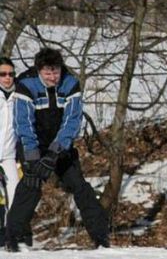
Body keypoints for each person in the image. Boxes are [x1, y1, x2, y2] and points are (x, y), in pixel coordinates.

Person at [5, 48, 109, 252]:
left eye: (56, 72)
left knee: (79, 186)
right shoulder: (26, 85)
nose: (53, 77)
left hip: (61, 145)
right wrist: (34, 158)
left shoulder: (70, 83)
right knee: (31, 184)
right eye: (48, 73)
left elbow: (72, 122)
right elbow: (23, 123)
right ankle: (13, 239)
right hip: (33, 143)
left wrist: (55, 153)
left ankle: (101, 238)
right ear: (39, 71)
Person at [0, 57, 20, 246]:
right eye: (3, 74)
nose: (7, 78)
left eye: (11, 74)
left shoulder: (18, 96)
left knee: (15, 192)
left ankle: (11, 234)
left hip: (8, 155)